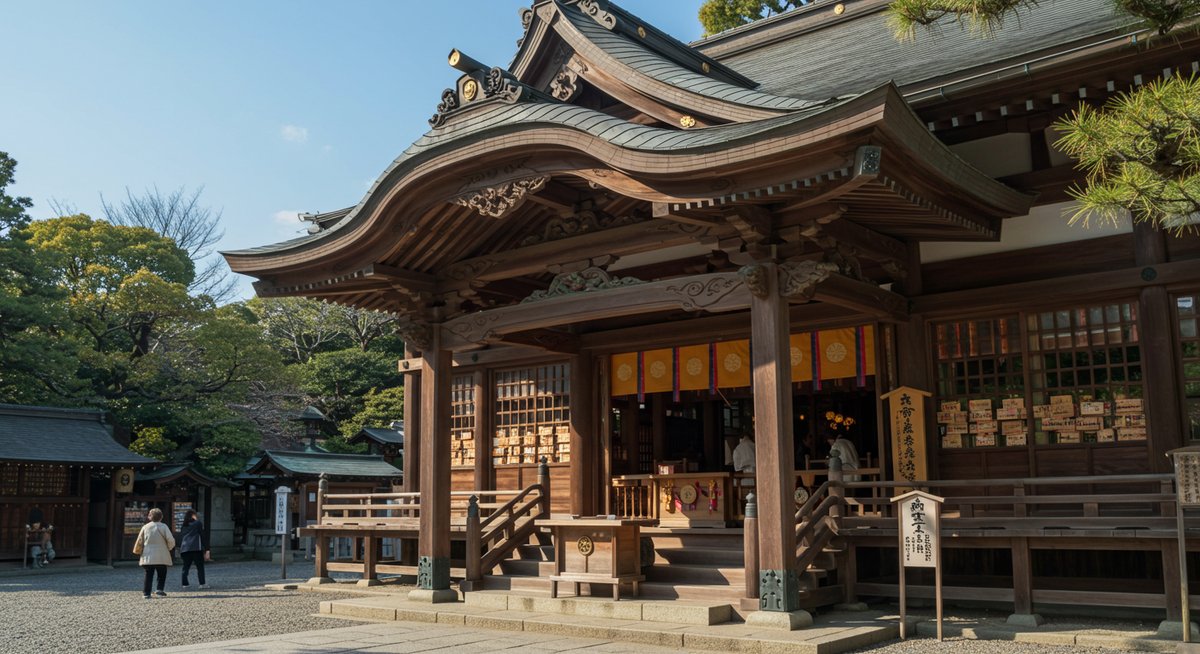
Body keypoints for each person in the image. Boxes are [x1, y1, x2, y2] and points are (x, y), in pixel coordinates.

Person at [133, 507, 175, 599]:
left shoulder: (145, 527)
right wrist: (169, 548)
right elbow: (171, 540)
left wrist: (138, 550)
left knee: (148, 574)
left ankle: (146, 593)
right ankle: (159, 589)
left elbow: (140, 540)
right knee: (162, 572)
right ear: (161, 517)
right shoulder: (164, 527)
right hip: (161, 553)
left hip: (148, 554)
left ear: (149, 517)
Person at [179, 509, 210, 590]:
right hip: (196, 548)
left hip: (185, 548)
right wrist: (207, 549)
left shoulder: (184, 526)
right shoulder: (197, 523)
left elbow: (180, 537)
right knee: (200, 567)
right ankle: (202, 583)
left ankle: (185, 584)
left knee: (185, 567)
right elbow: (202, 536)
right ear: (193, 515)